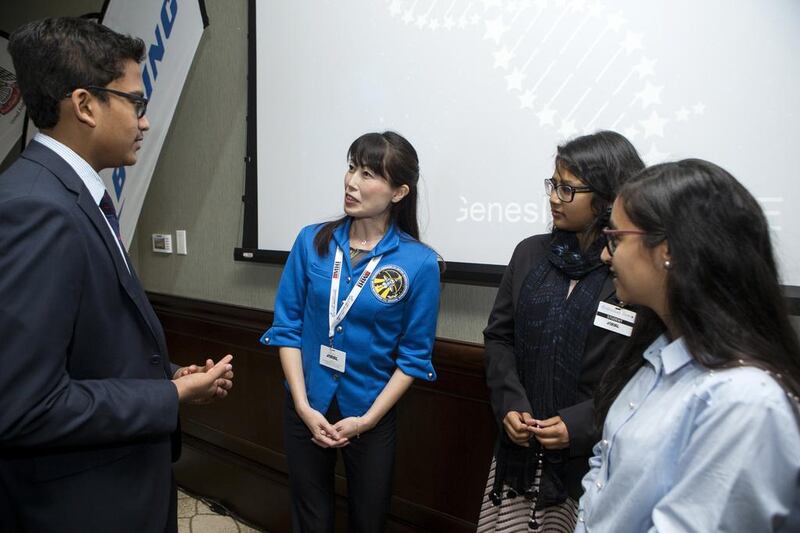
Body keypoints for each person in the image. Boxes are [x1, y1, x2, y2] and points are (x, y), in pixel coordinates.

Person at [0, 18, 234, 533]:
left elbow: (82, 340)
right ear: (85, 105)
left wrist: (167, 374)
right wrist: (170, 398)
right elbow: (25, 404)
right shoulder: (40, 210)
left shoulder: (65, 193)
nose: (144, 122)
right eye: (136, 103)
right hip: (85, 504)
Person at [577, 159, 800, 531]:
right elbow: (604, 465)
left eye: (615, 238)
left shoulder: (744, 402)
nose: (604, 254)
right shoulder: (654, 359)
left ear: (668, 250)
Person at [261, 131, 440, 532]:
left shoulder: (420, 263)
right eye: (351, 167)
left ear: (399, 192)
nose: (352, 182)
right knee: (311, 517)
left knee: (368, 520)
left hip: (370, 413)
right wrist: (304, 407)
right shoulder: (312, 241)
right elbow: (286, 328)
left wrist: (367, 421)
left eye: (369, 174)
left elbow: (414, 358)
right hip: (307, 404)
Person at [478, 131, 645, 532]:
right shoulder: (530, 254)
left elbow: (640, 372)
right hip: (518, 456)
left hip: (590, 463)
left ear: (606, 196)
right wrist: (511, 405)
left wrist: (579, 424)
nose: (554, 197)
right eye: (554, 185)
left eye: (568, 189)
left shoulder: (633, 272)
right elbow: (500, 337)